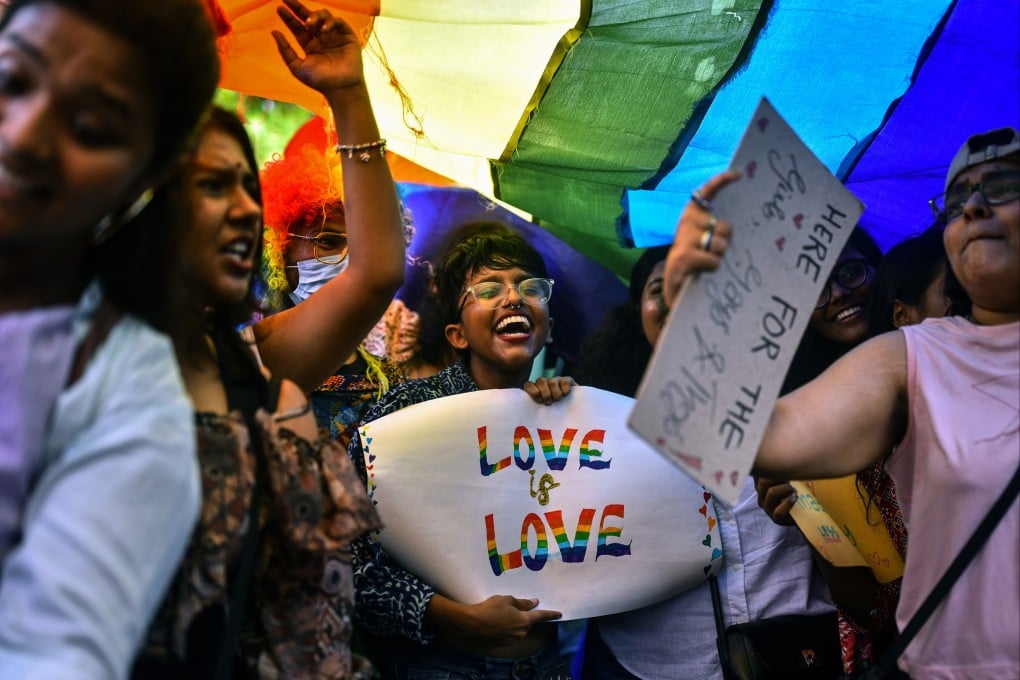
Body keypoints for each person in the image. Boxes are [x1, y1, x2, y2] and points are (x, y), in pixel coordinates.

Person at [133, 2, 403, 677]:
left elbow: (373, 275)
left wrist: (348, 94)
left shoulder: (255, 361)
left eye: (245, 188)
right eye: (211, 186)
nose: (244, 209)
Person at [746, 128, 1019, 677]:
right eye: (958, 200)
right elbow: (723, 432)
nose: (973, 209)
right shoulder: (915, 355)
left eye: (1003, 185)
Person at [0, 0, 220, 677]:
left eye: (90, 126)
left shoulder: (125, 394)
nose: (25, 136)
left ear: (148, 180)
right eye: (12, 82)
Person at [574, 244, 834, 679]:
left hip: (797, 656)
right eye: (662, 289)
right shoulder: (597, 429)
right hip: (649, 666)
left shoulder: (801, 404)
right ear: (638, 312)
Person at [347, 222, 575, 679]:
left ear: (547, 326)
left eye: (529, 287)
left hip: (549, 666)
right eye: (489, 289)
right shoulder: (405, 416)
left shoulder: (568, 415)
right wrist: (454, 617)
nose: (513, 297)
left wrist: (570, 416)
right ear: (457, 335)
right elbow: (352, 564)